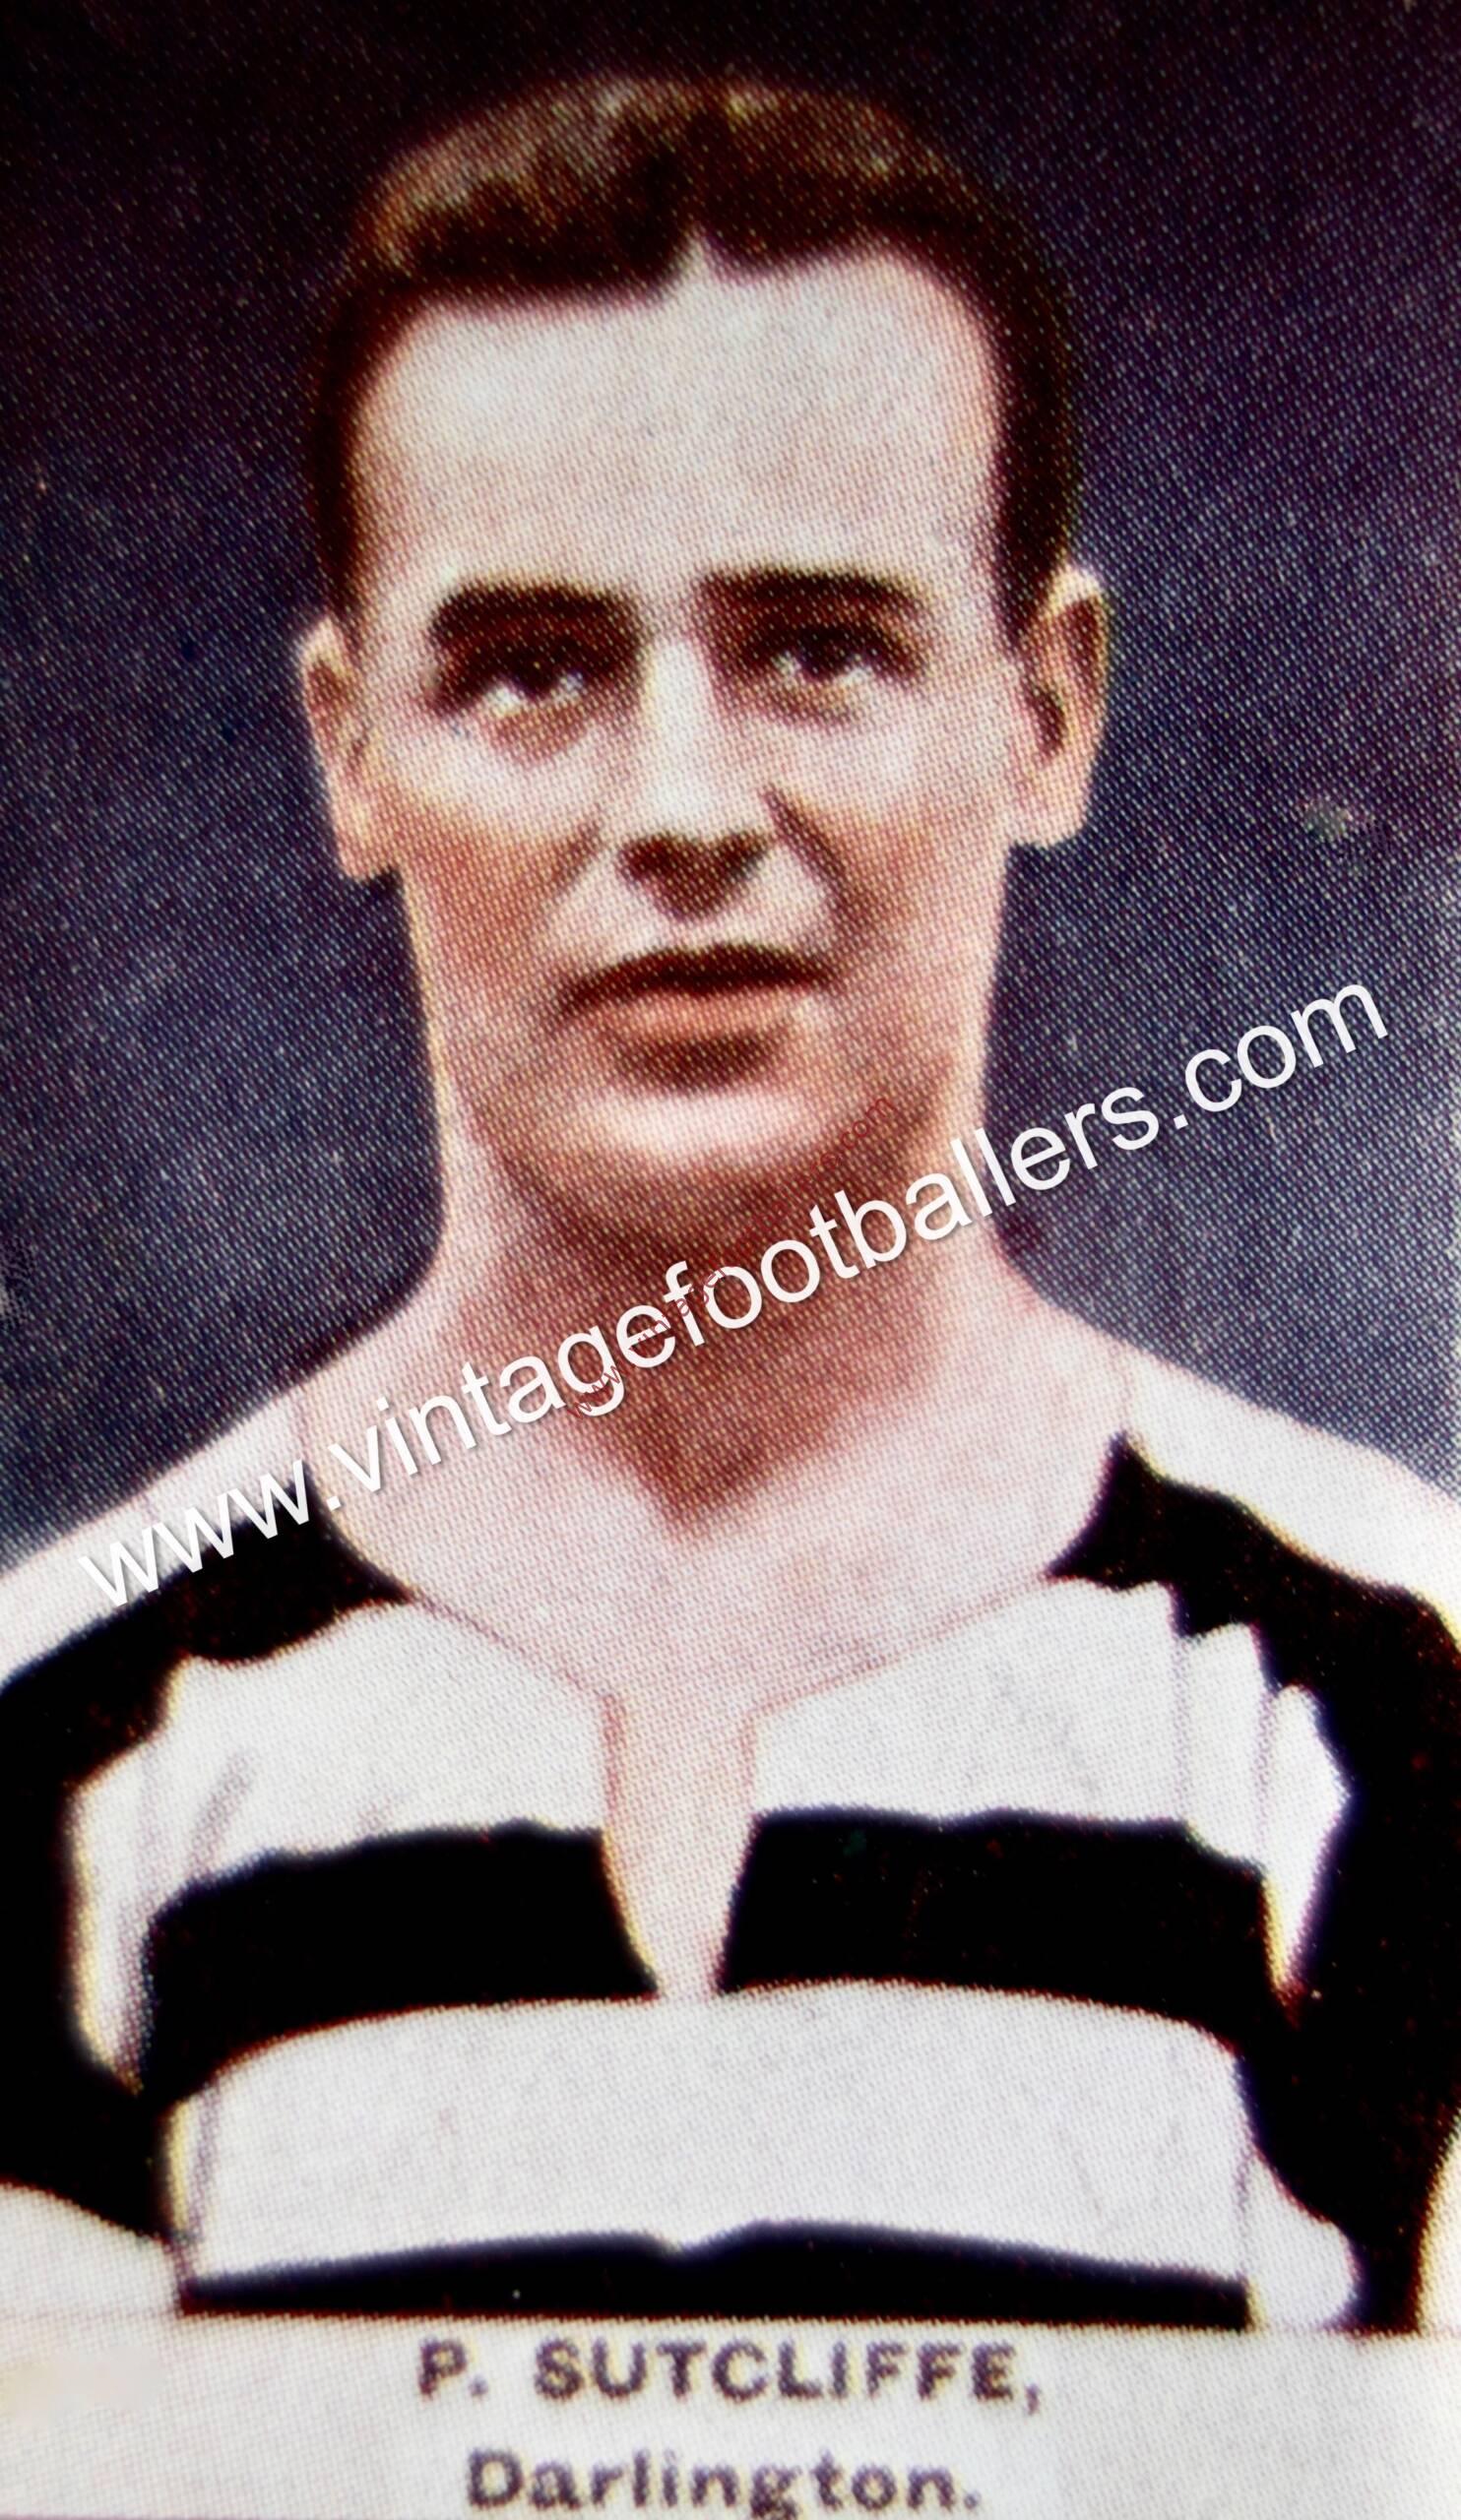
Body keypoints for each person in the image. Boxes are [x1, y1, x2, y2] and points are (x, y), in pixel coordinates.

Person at [3, 72, 1460, 2332]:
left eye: (814, 647)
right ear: (350, 749)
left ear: (1045, 708)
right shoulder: (63, 1729)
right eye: (532, 670)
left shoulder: (1383, 1691)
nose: (682, 806)